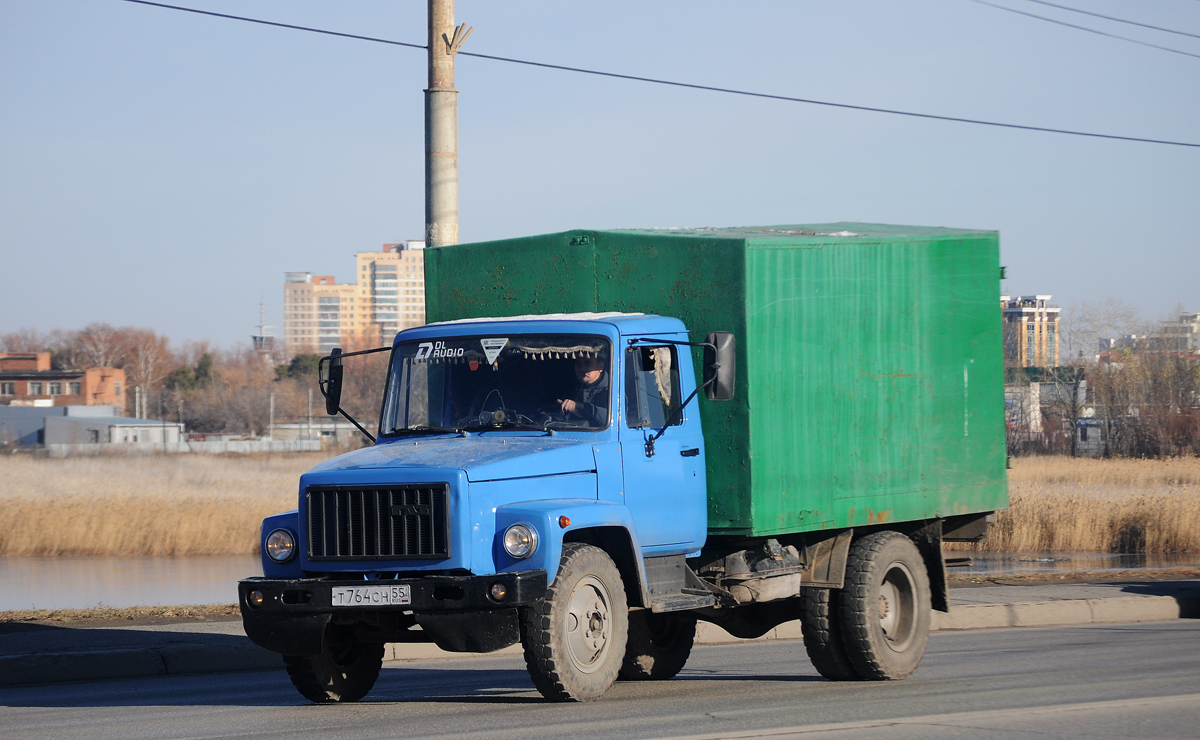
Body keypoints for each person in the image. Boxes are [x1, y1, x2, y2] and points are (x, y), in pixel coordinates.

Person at [557, 355, 609, 428]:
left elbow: (614, 420)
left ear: (601, 366)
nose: (582, 368)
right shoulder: (572, 390)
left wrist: (581, 407)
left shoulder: (613, 390)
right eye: (578, 364)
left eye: (587, 363)